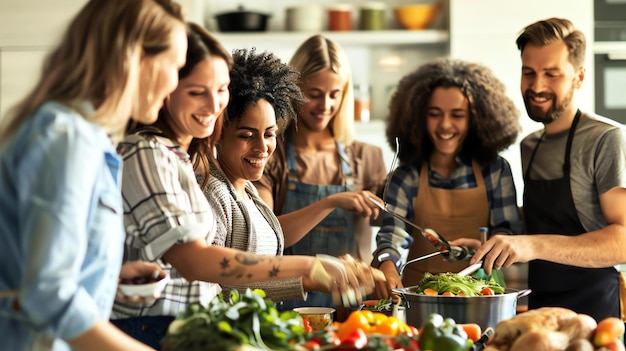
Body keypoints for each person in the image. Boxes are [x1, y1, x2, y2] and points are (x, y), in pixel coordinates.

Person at [111, 24, 376, 350]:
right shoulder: (149, 153)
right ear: (167, 86)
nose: (214, 105)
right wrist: (309, 266)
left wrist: (307, 277)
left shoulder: (181, 160)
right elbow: (196, 263)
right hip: (152, 327)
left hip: (186, 327)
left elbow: (217, 281)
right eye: (197, 91)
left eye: (222, 89)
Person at [0, 0, 188, 350]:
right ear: (136, 57)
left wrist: (106, 278)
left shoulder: (85, 138)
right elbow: (48, 294)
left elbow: (30, 266)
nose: (175, 83)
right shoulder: (67, 137)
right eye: (175, 66)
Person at [454, 18, 626, 322]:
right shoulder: (530, 145)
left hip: (595, 311)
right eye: (528, 73)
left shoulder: (606, 138)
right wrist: (494, 242)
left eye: (552, 74)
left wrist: (530, 244)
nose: (537, 86)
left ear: (579, 77)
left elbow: (622, 241)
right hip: (541, 307)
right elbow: (542, 218)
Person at [199, 47, 386, 303]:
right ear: (217, 133)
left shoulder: (247, 191)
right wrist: (309, 272)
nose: (262, 147)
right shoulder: (215, 194)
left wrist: (314, 278)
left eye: (269, 134)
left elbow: (251, 285)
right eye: (246, 135)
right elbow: (213, 287)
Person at [255, 34, 388, 309]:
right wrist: (330, 202)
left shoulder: (366, 156)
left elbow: (392, 224)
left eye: (334, 95)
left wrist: (389, 260)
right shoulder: (268, 153)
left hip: (355, 308)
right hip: (288, 305)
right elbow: (266, 237)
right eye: (314, 94)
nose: (325, 105)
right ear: (292, 90)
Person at [370, 57, 525, 290]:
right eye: (434, 113)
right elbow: (393, 233)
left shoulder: (495, 171)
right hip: (421, 297)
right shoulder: (406, 177)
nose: (445, 124)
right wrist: (387, 263)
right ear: (419, 118)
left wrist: (490, 245)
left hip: (482, 294)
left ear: (476, 119)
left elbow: (507, 231)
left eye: (457, 115)